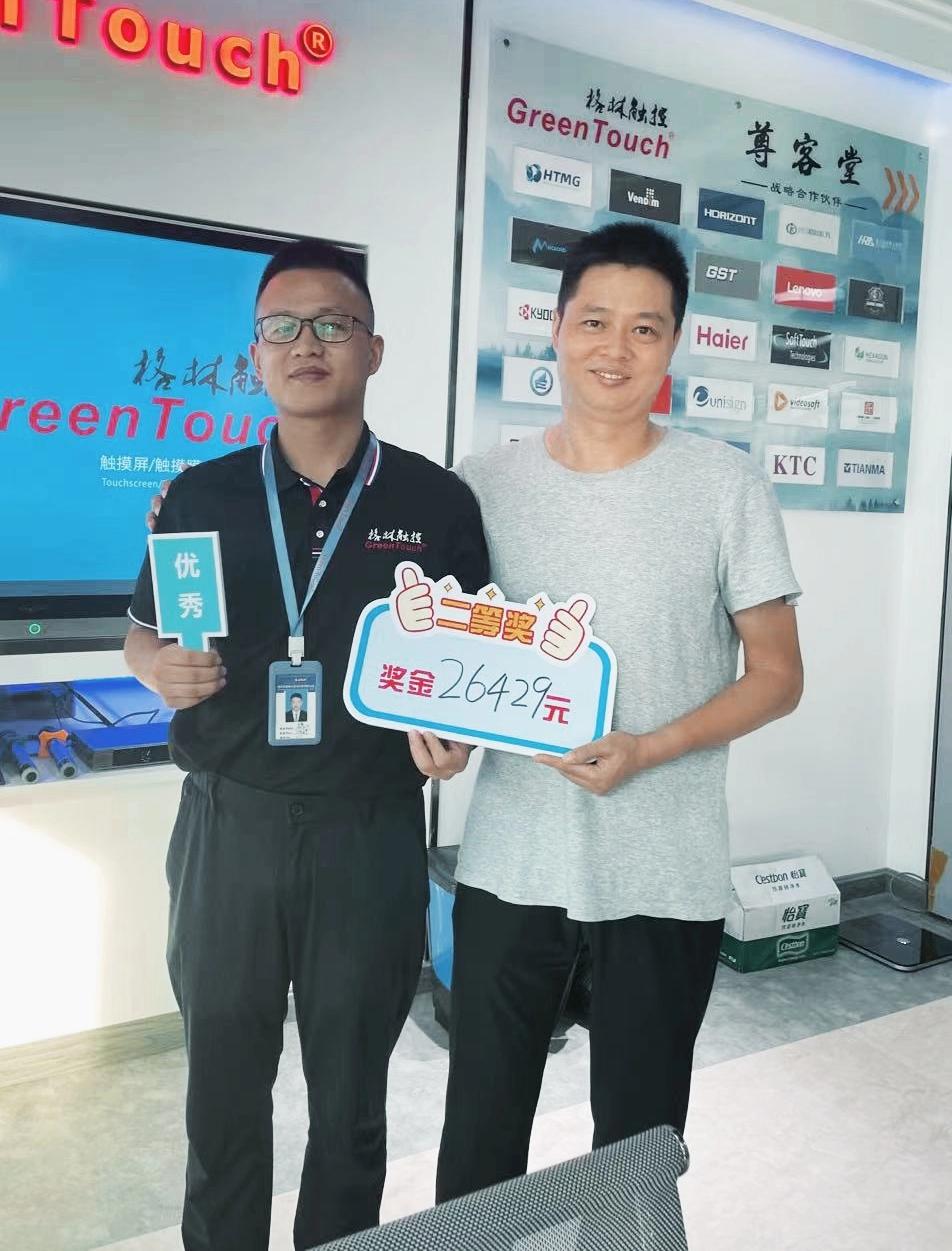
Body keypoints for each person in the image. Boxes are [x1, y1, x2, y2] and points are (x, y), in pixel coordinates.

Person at [125, 239, 488, 1251]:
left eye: (333, 323)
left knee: (352, 1105)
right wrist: (154, 668)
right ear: (256, 354)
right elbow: (143, 631)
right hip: (227, 828)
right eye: (281, 327)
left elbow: (468, 674)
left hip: (369, 831)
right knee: (222, 1093)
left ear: (374, 349)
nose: (306, 344)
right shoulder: (200, 496)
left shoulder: (435, 503)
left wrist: (454, 736)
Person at [433, 219, 804, 1200]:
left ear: (674, 343)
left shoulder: (724, 485)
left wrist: (651, 747)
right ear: (554, 328)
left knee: (636, 1158)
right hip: (512, 864)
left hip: (664, 871)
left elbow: (777, 674)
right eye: (595, 320)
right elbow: (454, 662)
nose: (617, 347)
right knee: (478, 1147)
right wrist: (442, 739)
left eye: (646, 328)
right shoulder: (482, 484)